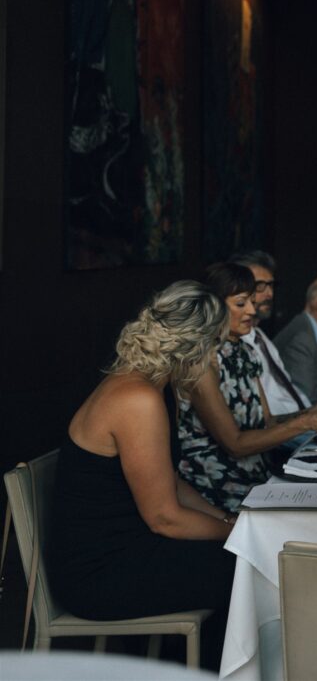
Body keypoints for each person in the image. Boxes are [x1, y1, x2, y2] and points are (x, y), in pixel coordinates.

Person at [48, 281, 237, 671]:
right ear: (195, 347)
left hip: (128, 548)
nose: (217, 358)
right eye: (216, 346)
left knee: (242, 562)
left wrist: (225, 520)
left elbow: (169, 481)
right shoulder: (138, 399)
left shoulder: (152, 387)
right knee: (245, 571)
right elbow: (164, 518)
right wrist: (237, 534)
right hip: (98, 571)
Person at [177, 263, 317, 512]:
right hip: (216, 483)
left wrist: (316, 411)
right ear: (215, 305)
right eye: (241, 303)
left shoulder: (245, 352)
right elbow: (235, 444)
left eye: (252, 302)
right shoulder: (199, 362)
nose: (252, 310)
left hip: (256, 473)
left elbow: (267, 421)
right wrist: (306, 422)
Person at [229, 250, 312, 415]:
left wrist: (312, 413)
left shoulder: (261, 337)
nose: (270, 294)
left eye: (271, 285)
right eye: (260, 286)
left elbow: (286, 389)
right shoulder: (234, 346)